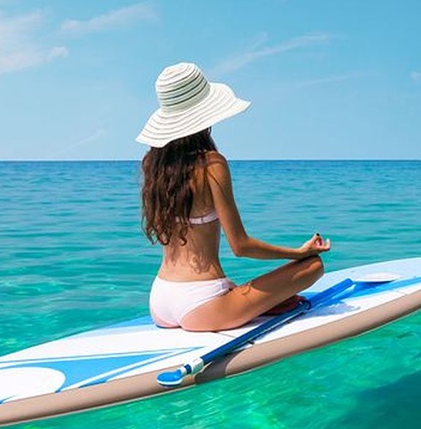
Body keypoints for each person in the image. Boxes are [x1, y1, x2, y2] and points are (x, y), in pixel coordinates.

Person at [136, 62, 330, 332]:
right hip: (202, 303)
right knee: (313, 267)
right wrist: (299, 253)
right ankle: (252, 302)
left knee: (240, 288)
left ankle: (248, 302)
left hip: (160, 299)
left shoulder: (154, 165)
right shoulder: (212, 164)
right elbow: (241, 246)